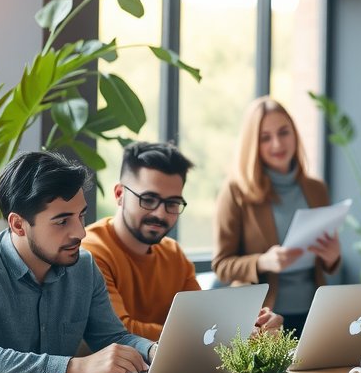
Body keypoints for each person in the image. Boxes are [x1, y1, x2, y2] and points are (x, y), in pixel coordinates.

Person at [0, 151, 156, 373]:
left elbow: (112, 338)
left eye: (80, 216)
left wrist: (154, 351)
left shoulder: (84, 268)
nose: (80, 233)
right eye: (62, 222)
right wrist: (77, 367)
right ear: (18, 225)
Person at [82, 141, 281, 339]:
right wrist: (211, 333)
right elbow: (120, 331)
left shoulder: (173, 253)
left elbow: (204, 319)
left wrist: (251, 324)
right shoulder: (91, 251)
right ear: (119, 194)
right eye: (149, 199)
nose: (160, 214)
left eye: (172, 203)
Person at [213, 97, 341, 335]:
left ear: (294, 134)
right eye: (265, 138)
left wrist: (332, 257)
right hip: (264, 318)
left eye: (284, 132)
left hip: (315, 314)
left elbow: (325, 261)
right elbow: (222, 265)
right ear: (253, 144)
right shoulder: (235, 191)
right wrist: (263, 261)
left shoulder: (316, 188)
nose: (277, 144)